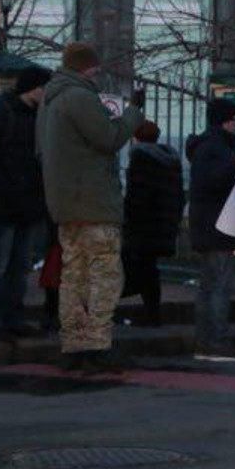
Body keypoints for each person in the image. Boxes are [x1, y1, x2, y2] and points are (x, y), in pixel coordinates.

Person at [38, 43, 145, 372]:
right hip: (94, 203)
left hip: (65, 204)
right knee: (103, 276)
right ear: (87, 69)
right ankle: (97, 344)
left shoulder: (50, 99)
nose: (99, 76)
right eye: (96, 70)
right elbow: (109, 139)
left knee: (73, 277)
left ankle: (73, 344)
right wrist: (133, 113)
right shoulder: (79, 97)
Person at [0, 65, 52, 340]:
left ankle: (11, 317)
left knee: (17, 267)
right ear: (34, 88)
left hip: (25, 202)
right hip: (6, 203)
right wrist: (1, 190)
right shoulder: (3, 114)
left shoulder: (32, 116)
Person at [186, 99, 235, 363]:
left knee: (210, 286)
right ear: (225, 120)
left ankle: (207, 340)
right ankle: (216, 341)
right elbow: (209, 183)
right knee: (218, 287)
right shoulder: (215, 148)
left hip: (210, 226)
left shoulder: (209, 146)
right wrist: (234, 165)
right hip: (216, 227)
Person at [120, 120, 183, 329]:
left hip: (143, 226)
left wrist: (126, 219)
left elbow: (137, 198)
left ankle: (147, 314)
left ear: (135, 137)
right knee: (150, 269)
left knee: (137, 268)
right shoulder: (170, 160)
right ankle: (152, 314)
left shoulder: (140, 159)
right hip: (163, 225)